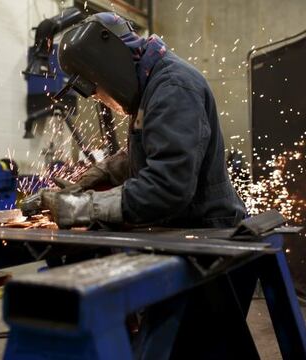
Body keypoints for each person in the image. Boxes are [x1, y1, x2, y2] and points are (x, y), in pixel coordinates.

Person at [24, 12, 246, 229]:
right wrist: (100, 173)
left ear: (109, 66)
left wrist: (83, 207)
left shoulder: (172, 88)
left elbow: (168, 187)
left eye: (96, 88)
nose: (99, 97)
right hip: (183, 225)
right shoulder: (151, 87)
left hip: (210, 231)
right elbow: (150, 153)